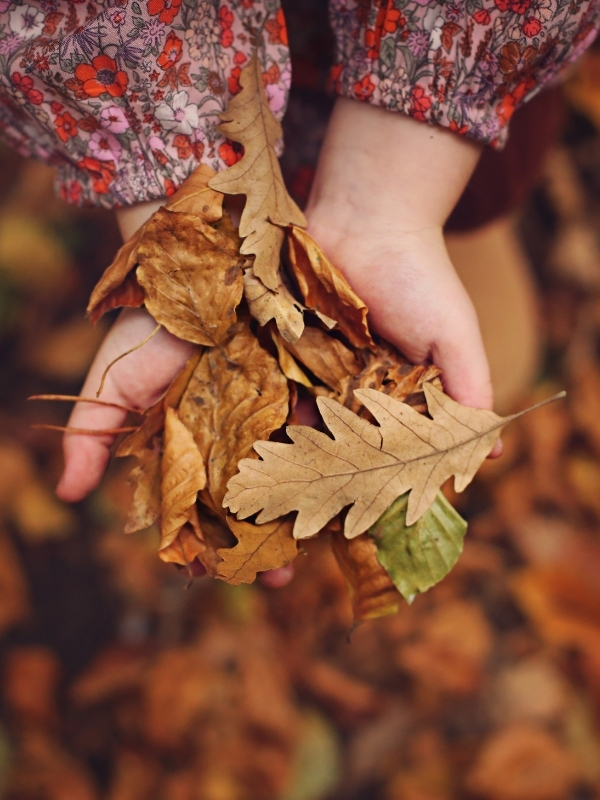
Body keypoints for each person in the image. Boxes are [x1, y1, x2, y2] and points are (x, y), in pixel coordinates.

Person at [0, 2, 594, 527]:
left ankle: (435, 222)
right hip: (187, 100)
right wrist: (188, 235)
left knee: (493, 305)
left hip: (422, 130)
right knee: (492, 350)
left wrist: (395, 193)